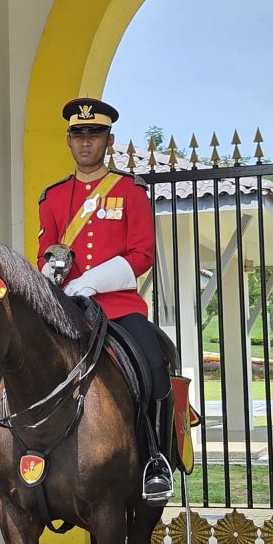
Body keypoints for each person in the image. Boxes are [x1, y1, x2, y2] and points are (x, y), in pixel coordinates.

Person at [37, 96, 174, 502]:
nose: (85, 142)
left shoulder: (131, 192)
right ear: (68, 140)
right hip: (66, 307)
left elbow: (142, 255)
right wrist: (52, 271)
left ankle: (154, 460)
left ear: (108, 140)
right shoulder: (53, 198)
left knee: (153, 365)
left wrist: (93, 281)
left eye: (93, 134)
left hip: (118, 309)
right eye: (78, 134)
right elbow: (45, 250)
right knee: (12, 348)